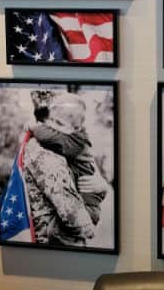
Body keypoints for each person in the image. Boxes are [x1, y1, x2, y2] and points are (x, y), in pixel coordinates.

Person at [29, 93, 108, 225]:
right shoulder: (69, 134)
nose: (51, 125)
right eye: (51, 120)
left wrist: (34, 127)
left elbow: (47, 136)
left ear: (76, 128)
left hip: (88, 201)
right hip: (79, 196)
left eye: (58, 123)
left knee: (85, 218)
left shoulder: (75, 140)